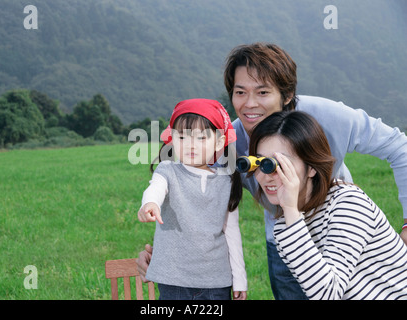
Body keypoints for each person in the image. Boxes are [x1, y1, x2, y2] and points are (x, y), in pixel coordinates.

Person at [137, 43, 407, 300]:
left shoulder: (330, 119)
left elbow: (399, 147)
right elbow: (190, 189)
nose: (249, 104)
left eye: (263, 92)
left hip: (337, 227)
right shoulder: (226, 143)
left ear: (288, 95)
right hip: (283, 233)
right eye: (240, 92)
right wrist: (161, 251)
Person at [249, 110, 407, 299]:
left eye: (279, 164)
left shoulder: (347, 203)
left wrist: (290, 211)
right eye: (259, 163)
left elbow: (328, 294)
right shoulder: (285, 226)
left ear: (312, 167)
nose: (266, 176)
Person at [137, 99, 247, 300]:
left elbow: (231, 232)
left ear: (220, 141)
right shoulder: (168, 170)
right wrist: (150, 204)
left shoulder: (226, 179)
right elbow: (156, 188)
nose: (191, 145)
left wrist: (239, 278)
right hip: (174, 279)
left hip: (216, 281)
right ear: (172, 139)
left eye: (202, 138)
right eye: (182, 137)